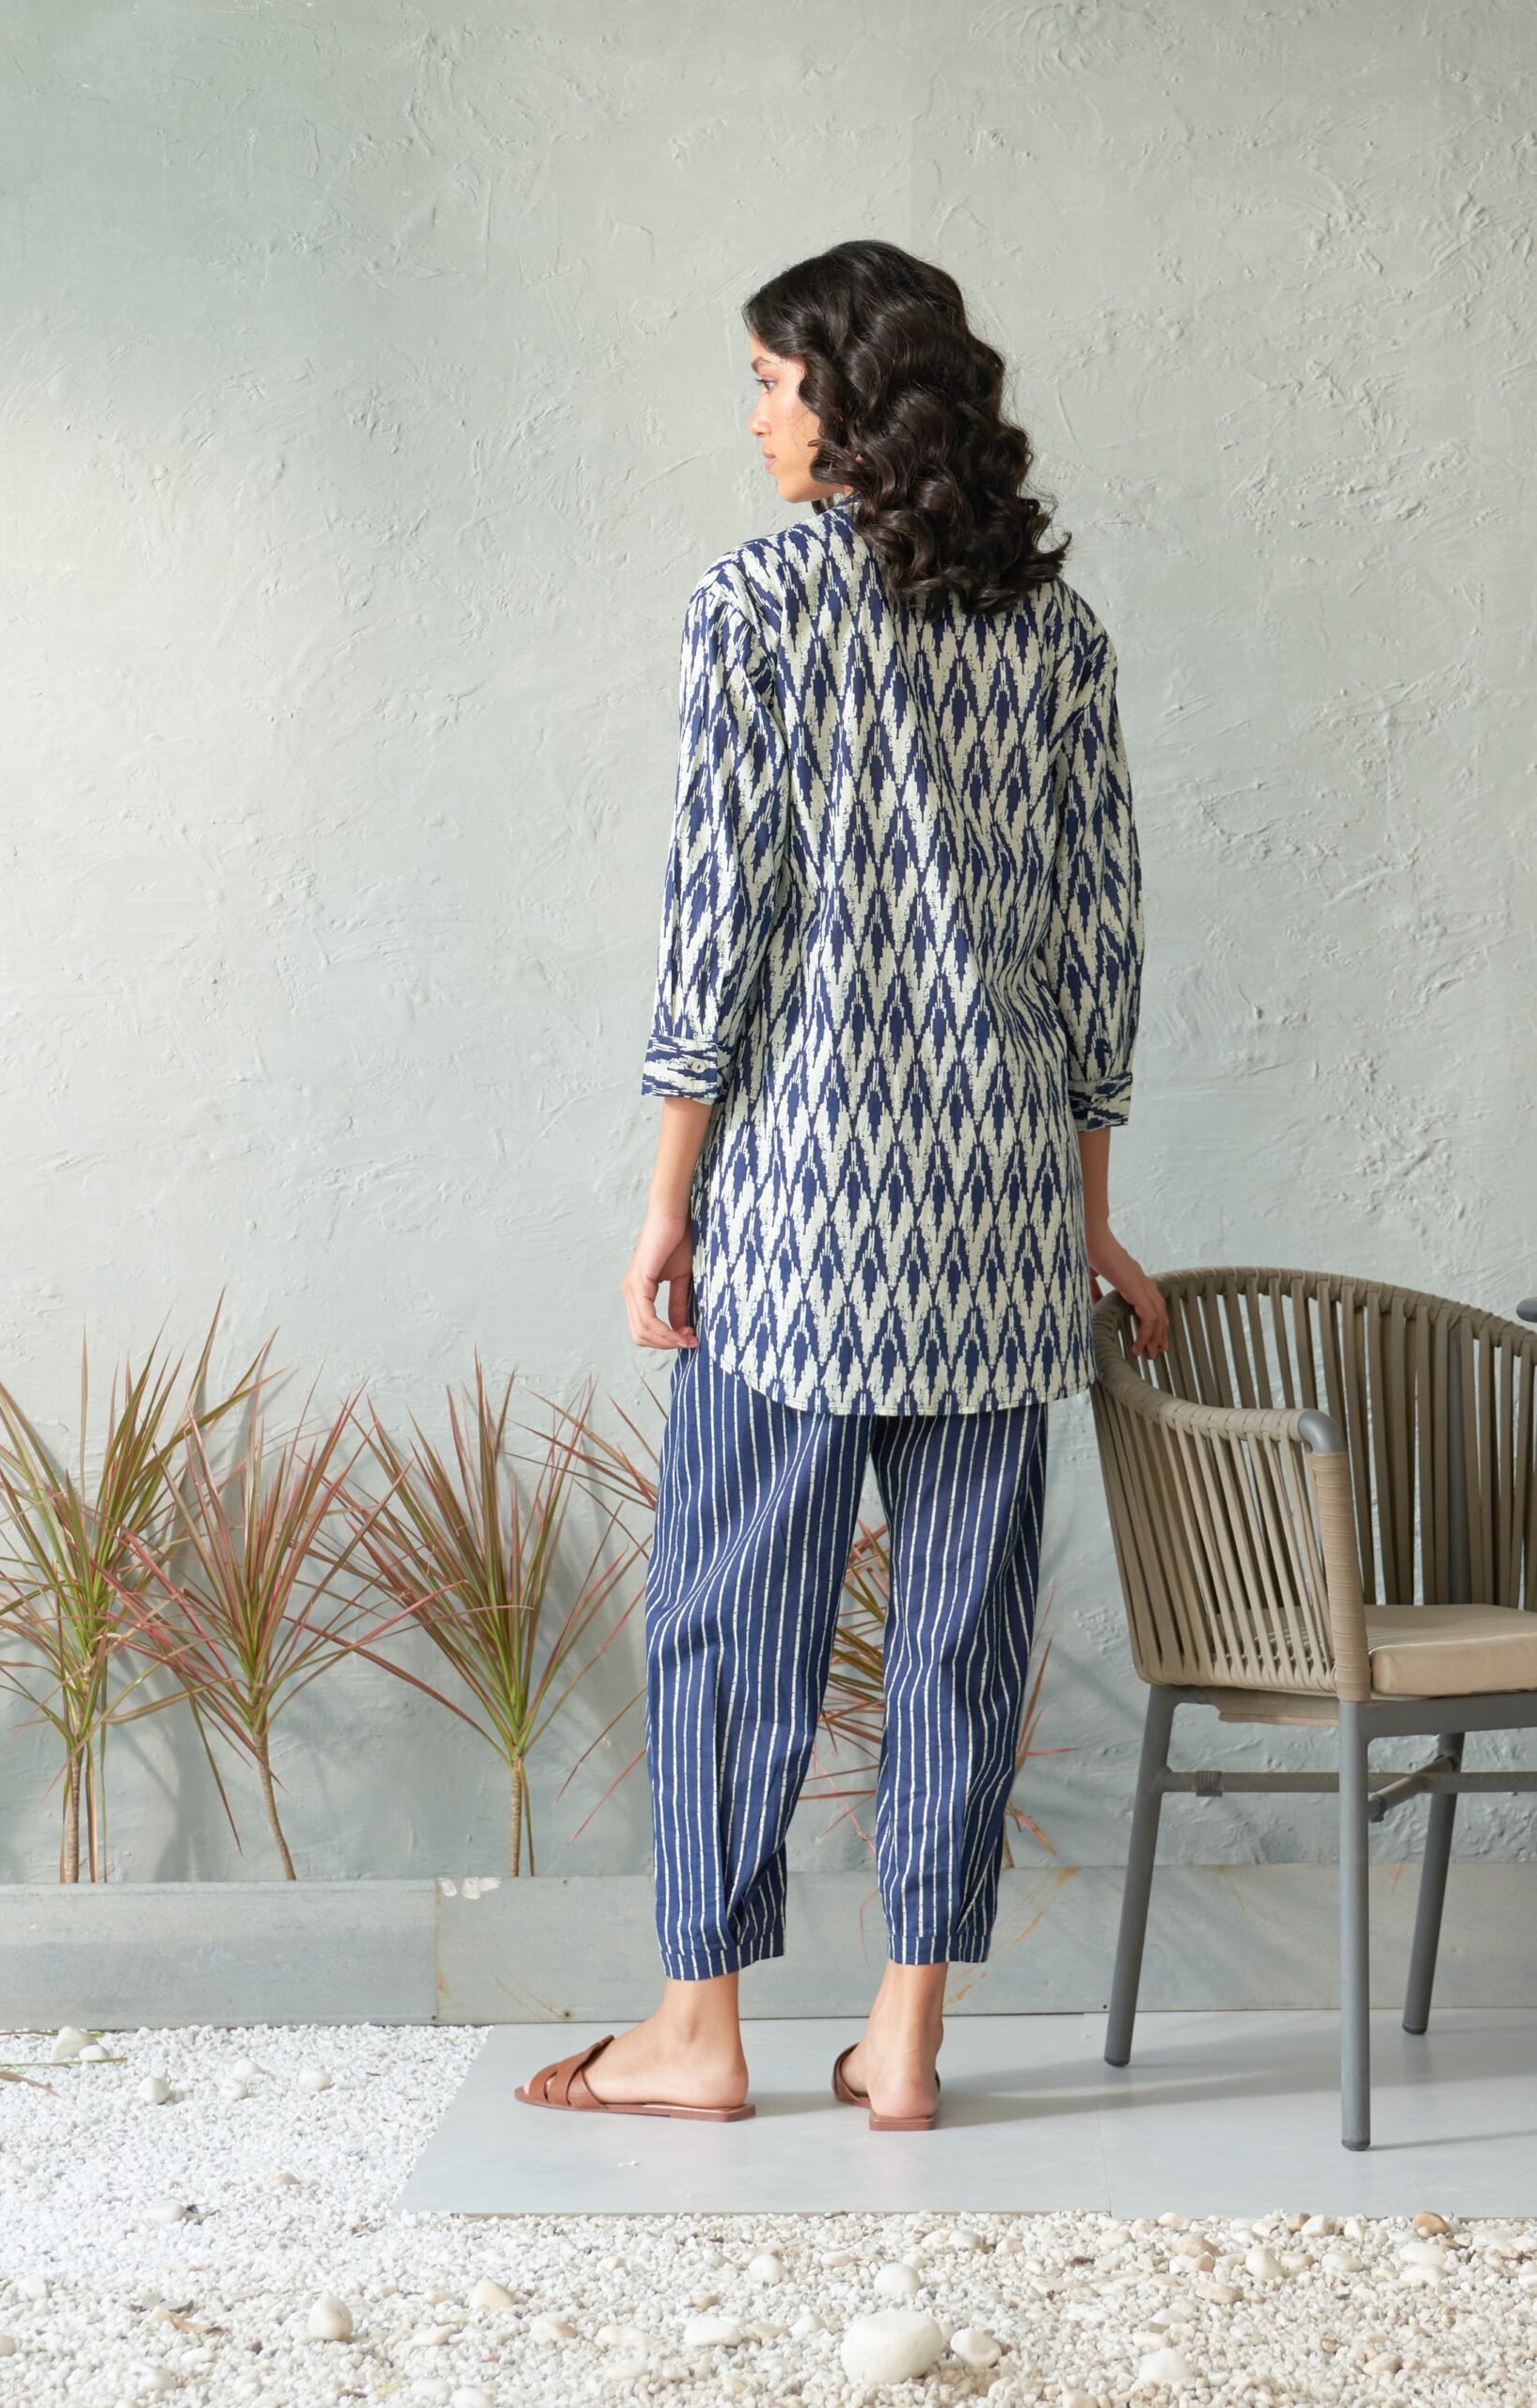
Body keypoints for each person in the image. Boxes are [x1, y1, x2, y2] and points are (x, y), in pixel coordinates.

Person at [515, 239, 1167, 2130]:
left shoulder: (755, 606)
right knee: (959, 1637)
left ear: (845, 394)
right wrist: (1083, 1215)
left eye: (766, 381)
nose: (751, 419)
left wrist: (668, 1198)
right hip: (995, 1229)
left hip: (803, 1216)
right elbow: (1098, 949)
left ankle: (697, 2030)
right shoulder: (1055, 634)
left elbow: (717, 923)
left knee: (732, 1622)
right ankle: (906, 2040)